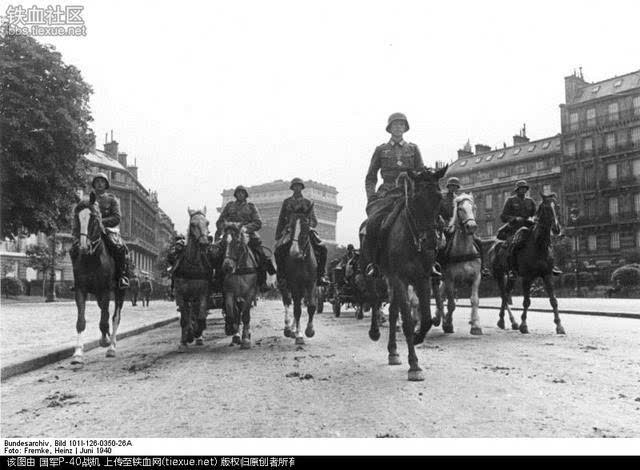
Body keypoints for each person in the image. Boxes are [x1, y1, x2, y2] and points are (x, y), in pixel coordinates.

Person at [362, 112, 441, 278]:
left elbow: (420, 171)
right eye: (395, 125)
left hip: (410, 192)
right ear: (389, 128)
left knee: (434, 221)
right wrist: (372, 197)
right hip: (387, 193)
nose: (398, 127)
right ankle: (374, 264)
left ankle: (432, 262)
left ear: (405, 128)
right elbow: (370, 177)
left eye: (401, 125)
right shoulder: (381, 150)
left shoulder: (413, 148)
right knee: (373, 224)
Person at [215, 185, 276, 292]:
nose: (240, 194)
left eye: (242, 193)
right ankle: (217, 281)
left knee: (261, 255)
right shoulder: (229, 206)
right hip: (230, 236)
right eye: (238, 193)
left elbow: (258, 222)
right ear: (235, 194)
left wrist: (245, 228)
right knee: (217, 255)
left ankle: (262, 282)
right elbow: (220, 221)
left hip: (248, 235)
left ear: (245, 195)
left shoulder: (251, 207)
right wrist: (227, 227)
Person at [498, 180, 562, 278]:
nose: (523, 190)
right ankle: (512, 269)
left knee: (545, 241)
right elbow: (503, 216)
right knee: (513, 245)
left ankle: (551, 265)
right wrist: (514, 218)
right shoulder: (510, 200)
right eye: (521, 189)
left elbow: (535, 214)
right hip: (515, 228)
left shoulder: (530, 201)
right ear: (517, 190)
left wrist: (534, 218)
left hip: (528, 227)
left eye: (525, 188)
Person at [274, 178, 329, 287]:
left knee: (323, 248)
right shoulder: (287, 202)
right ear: (292, 188)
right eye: (295, 186)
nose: (297, 188)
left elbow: (314, 221)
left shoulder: (308, 202)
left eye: (299, 186)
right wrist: (279, 234)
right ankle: (281, 276)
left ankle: (321, 274)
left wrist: (308, 224)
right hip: (290, 231)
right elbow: (281, 219)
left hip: (304, 230)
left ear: (302, 187)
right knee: (278, 250)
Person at [438, 177, 490, 277]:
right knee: (442, 245)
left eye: (455, 186)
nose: (453, 188)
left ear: (457, 188)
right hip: (447, 226)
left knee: (478, 241)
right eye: (451, 186)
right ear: (448, 187)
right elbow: (439, 213)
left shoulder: (461, 199)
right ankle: (440, 266)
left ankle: (482, 267)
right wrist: (445, 225)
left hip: (460, 226)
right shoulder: (442, 199)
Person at [90, 173, 131, 289]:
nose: (99, 183)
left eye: (102, 181)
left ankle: (121, 276)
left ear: (106, 184)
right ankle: (78, 279)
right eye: (97, 181)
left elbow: (117, 218)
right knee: (76, 247)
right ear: (94, 184)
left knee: (119, 248)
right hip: (90, 230)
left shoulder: (112, 199)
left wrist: (101, 221)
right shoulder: (88, 200)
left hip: (107, 231)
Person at [166, 234, 186, 298]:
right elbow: (170, 257)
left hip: (182, 264)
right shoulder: (175, 248)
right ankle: (172, 291)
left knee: (174, 275)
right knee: (174, 275)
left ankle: (172, 291)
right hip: (178, 264)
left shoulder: (182, 246)